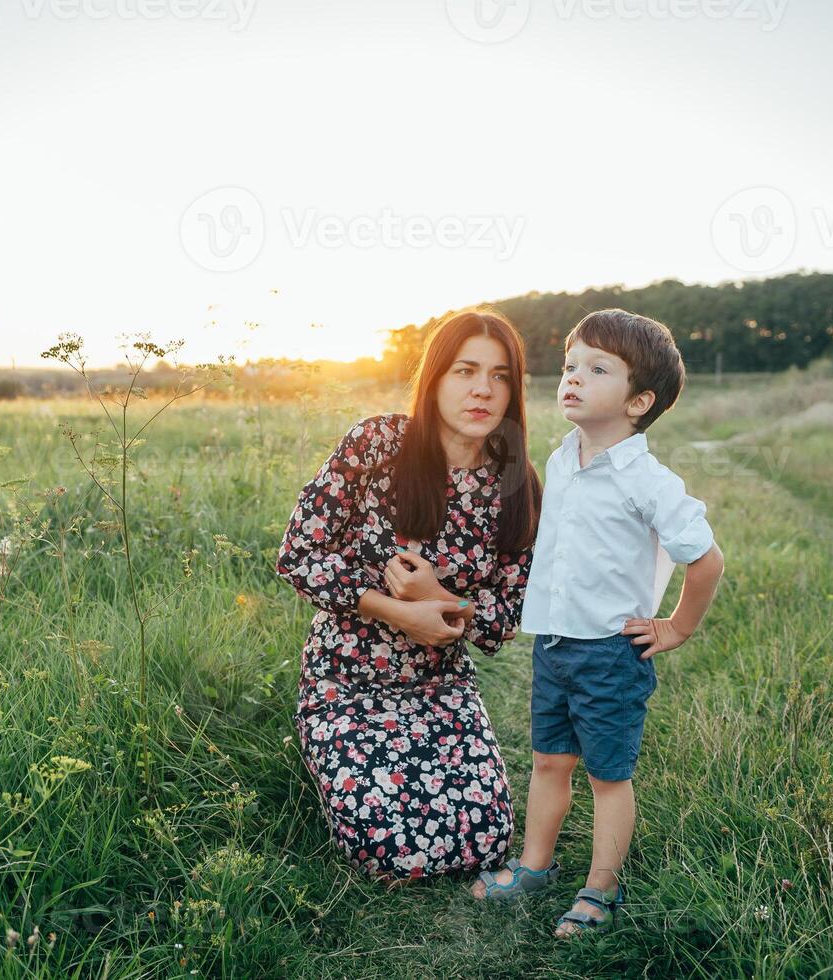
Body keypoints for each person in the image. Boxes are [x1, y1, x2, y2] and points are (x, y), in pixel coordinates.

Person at [469, 309, 725, 940]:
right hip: (554, 644)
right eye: (571, 365)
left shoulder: (648, 480)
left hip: (610, 651)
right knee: (548, 762)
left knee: (609, 774)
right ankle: (536, 865)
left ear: (639, 400)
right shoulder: (562, 458)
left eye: (597, 368)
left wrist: (676, 628)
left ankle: (600, 889)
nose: (574, 378)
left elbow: (707, 559)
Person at [275, 308, 540, 885]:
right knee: (390, 847)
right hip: (347, 679)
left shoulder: (515, 483)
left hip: (439, 684)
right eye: (465, 371)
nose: (482, 389)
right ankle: (331, 749)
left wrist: (437, 597)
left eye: (500, 376)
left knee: (486, 839)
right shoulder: (377, 444)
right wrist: (398, 611)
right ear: (435, 378)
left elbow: (503, 622)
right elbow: (298, 556)